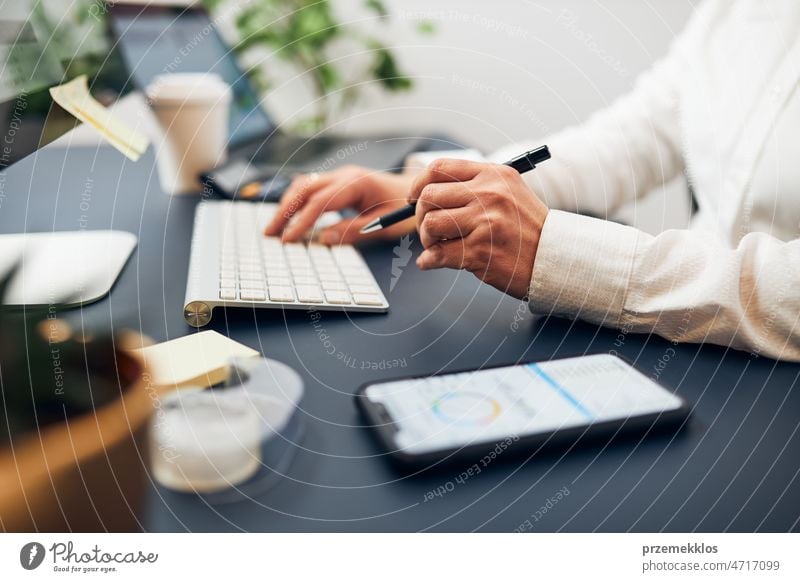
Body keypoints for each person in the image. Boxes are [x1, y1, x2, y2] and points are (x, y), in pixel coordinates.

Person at [265, 0, 800, 362]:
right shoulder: (735, 13)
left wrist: (561, 255)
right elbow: (629, 141)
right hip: (691, 345)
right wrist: (436, 185)